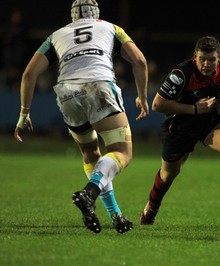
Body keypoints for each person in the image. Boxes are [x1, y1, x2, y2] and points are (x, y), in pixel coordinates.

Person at [14, 0, 149, 234]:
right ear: (97, 13)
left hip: (67, 94)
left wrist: (24, 112)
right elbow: (139, 61)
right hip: (99, 87)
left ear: (73, 16)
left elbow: (29, 73)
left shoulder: (56, 35)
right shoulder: (111, 27)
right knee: (122, 152)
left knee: (90, 154)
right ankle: (90, 192)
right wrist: (142, 97)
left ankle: (115, 215)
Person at [139, 36, 220, 229]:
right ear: (195, 57)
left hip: (210, 119)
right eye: (202, 59)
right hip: (180, 124)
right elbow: (158, 104)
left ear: (219, 57)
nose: (206, 64)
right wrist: (194, 109)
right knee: (169, 174)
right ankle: (152, 207)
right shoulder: (181, 73)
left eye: (211, 59)